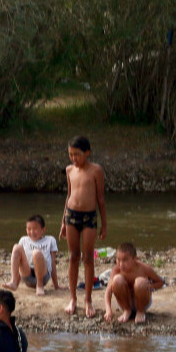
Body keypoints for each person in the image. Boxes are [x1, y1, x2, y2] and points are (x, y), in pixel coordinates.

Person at [63, 136, 107, 318]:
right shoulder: (69, 170)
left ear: (87, 153)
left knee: (88, 257)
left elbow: (101, 199)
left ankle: (88, 298)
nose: (74, 159)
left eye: (77, 155)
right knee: (73, 256)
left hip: (89, 217)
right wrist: (62, 223)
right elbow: (68, 195)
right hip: (71, 215)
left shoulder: (96, 170)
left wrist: (104, 224)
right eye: (71, 155)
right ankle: (73, 298)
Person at [103, 243, 164, 324]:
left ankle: (140, 312)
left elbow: (160, 282)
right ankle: (127, 310)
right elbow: (108, 291)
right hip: (125, 302)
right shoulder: (116, 270)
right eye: (118, 260)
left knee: (140, 282)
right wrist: (108, 310)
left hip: (143, 302)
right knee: (117, 280)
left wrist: (149, 286)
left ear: (135, 259)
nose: (121, 264)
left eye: (125, 260)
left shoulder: (144, 268)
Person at [4, 214, 61, 295]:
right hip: (27, 275)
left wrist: (56, 285)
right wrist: (17, 282)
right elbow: (19, 261)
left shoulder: (50, 240)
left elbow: (52, 263)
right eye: (29, 229)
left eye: (35, 229)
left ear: (43, 230)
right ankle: (13, 281)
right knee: (16, 247)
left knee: (36, 253)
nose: (32, 232)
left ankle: (39, 286)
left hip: (43, 275)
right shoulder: (24, 240)